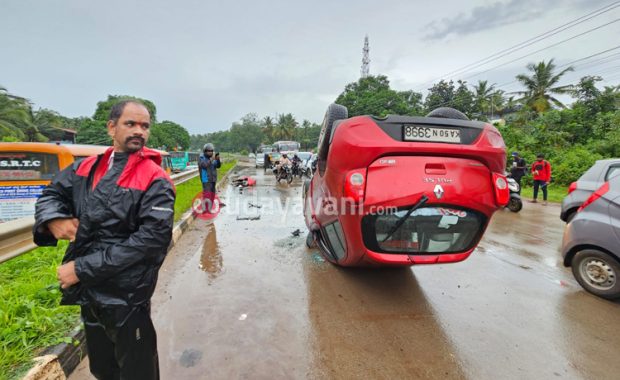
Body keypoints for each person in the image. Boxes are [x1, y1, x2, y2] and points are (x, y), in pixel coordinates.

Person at [33, 100, 175, 379]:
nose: (139, 131)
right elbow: (51, 194)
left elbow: (152, 240)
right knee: (103, 368)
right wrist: (53, 218)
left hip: (127, 293)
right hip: (90, 291)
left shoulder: (154, 177)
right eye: (130, 124)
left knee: (137, 369)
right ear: (112, 127)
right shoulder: (86, 168)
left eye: (144, 126)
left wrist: (81, 268)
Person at [199, 143, 222, 209]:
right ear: (205, 151)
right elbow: (204, 165)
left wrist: (218, 159)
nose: (210, 152)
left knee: (212, 195)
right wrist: (211, 159)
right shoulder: (202, 158)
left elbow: (218, 166)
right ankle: (205, 210)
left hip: (213, 180)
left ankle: (209, 209)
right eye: (208, 151)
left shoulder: (212, 159)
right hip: (206, 180)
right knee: (207, 196)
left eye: (211, 151)